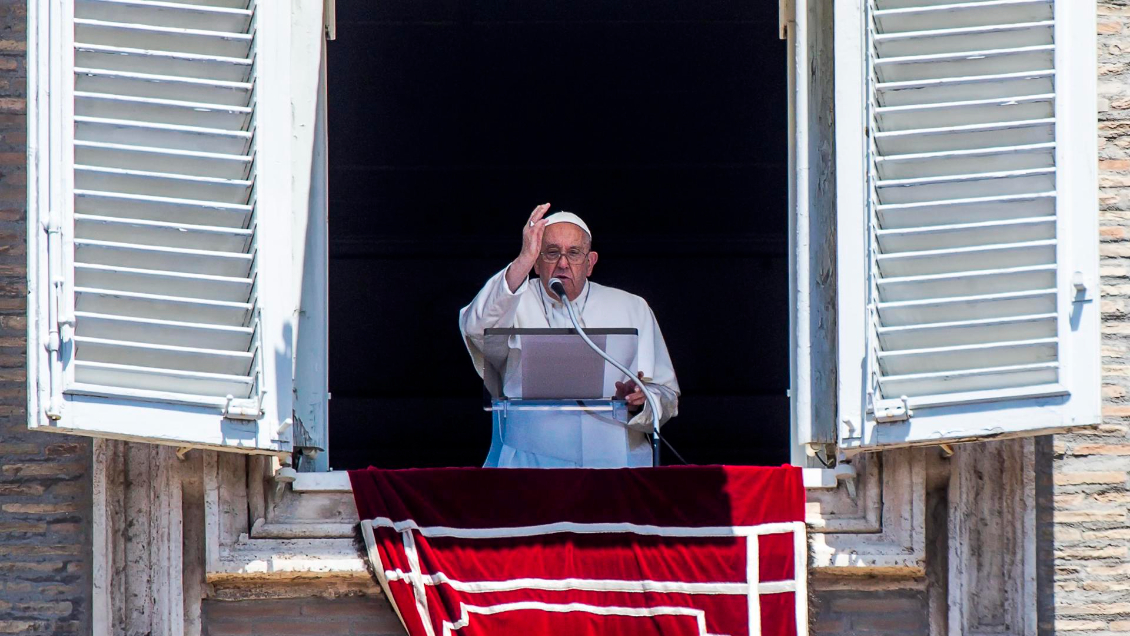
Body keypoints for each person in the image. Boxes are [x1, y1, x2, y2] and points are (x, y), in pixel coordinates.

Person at [459, 203, 680, 468]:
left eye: (574, 253)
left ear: (590, 263)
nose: (562, 263)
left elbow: (666, 396)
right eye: (551, 253)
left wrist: (639, 401)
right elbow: (477, 328)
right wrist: (522, 260)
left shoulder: (632, 307)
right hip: (531, 462)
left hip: (614, 462)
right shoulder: (512, 298)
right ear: (537, 261)